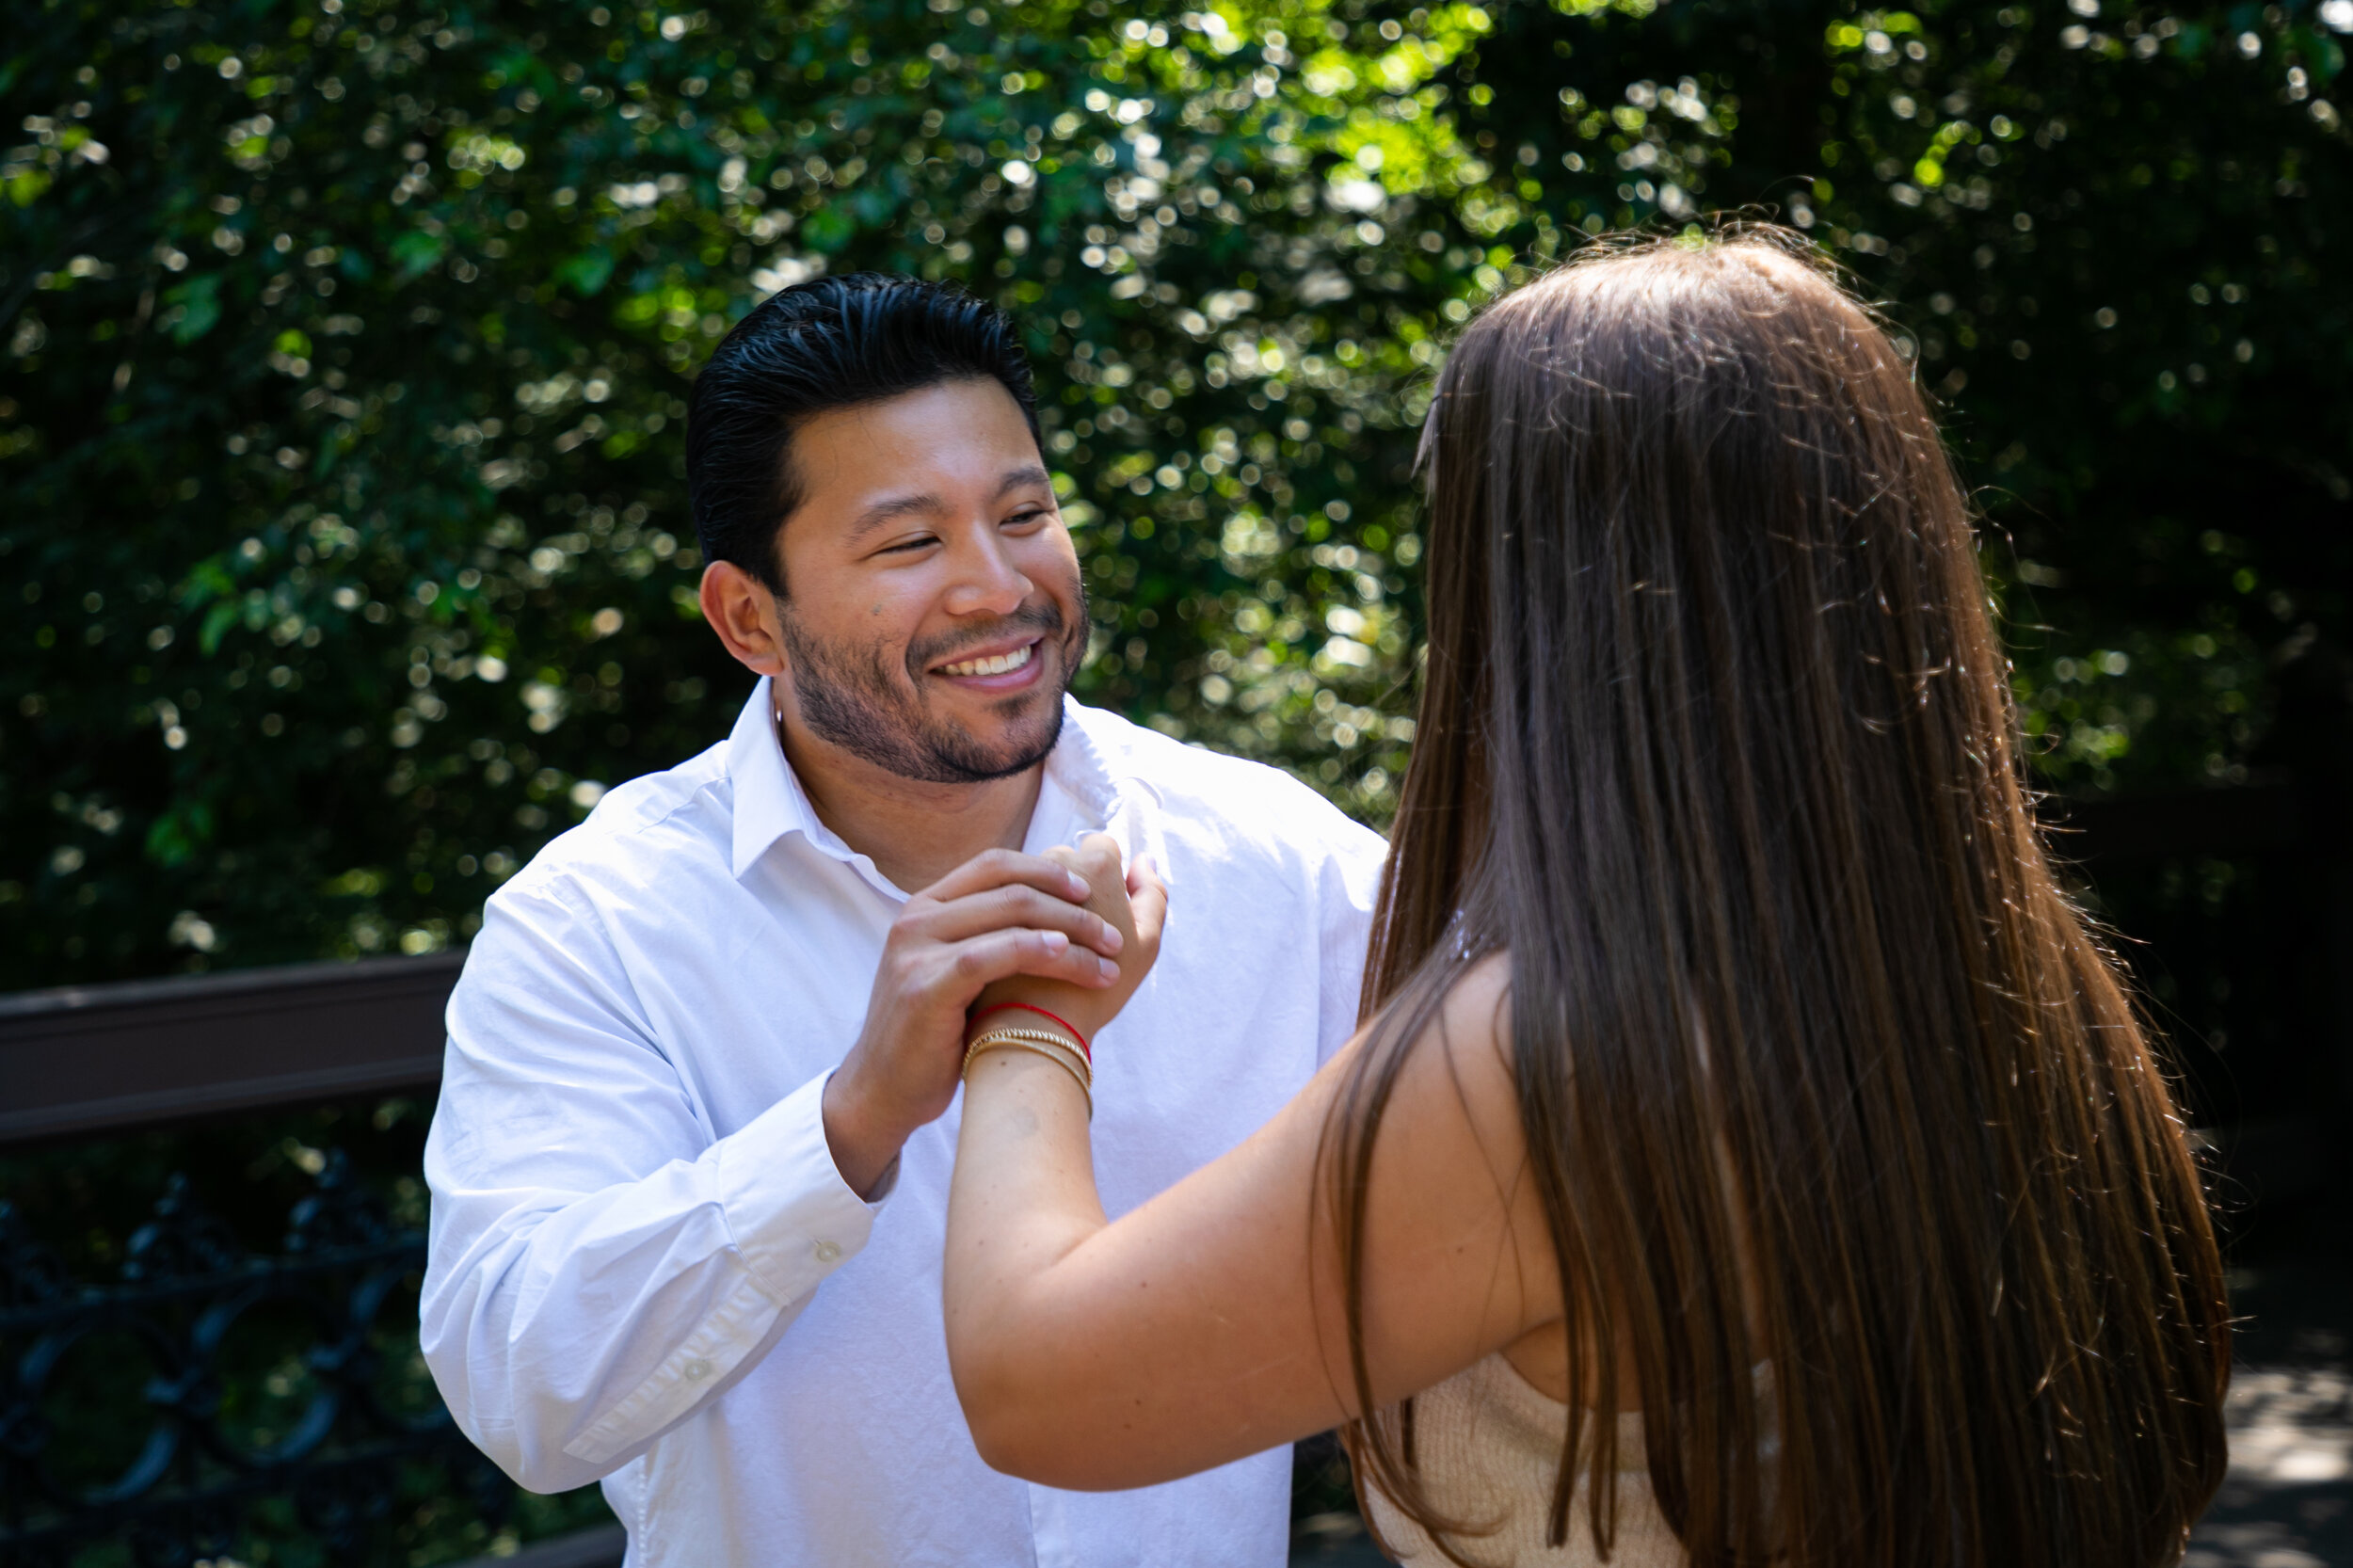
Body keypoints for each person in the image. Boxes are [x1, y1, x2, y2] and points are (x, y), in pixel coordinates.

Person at [942, 232, 2232, 1568]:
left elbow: (1036, 1385)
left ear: (1529, 583)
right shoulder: (2023, 975)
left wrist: (1035, 1011)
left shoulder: (1538, 1063)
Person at [418, 275, 1388, 1566]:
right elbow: (524, 1392)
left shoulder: (1268, 856)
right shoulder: (594, 924)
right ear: (748, 617)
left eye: (1025, 513)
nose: (999, 587)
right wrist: (849, 1118)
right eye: (909, 542)